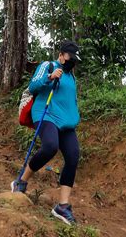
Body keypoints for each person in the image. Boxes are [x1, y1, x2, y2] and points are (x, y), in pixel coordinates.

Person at [12, 40, 81, 226]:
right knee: (50, 146)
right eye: (69, 58)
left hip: (67, 122)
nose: (72, 62)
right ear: (61, 55)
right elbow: (34, 86)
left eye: (75, 59)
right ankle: (21, 181)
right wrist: (50, 77)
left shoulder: (71, 77)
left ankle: (63, 206)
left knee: (73, 156)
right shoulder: (47, 65)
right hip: (46, 114)